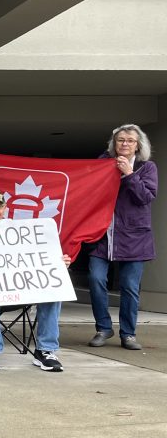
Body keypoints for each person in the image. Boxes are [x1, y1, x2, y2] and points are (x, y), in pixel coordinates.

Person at [0, 189, 70, 372]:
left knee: (53, 292)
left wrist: (58, 262)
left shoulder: (21, 231)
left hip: (21, 290)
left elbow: (41, 258)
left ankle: (45, 350)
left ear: (5, 208)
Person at [87, 123, 158, 351]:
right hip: (103, 235)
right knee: (96, 280)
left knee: (129, 287)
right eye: (120, 140)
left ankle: (128, 334)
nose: (125, 144)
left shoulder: (147, 168)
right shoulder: (102, 163)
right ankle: (103, 328)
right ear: (113, 143)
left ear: (138, 145)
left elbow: (145, 198)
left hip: (134, 237)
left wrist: (129, 174)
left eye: (130, 140)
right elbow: (87, 191)